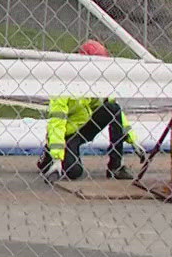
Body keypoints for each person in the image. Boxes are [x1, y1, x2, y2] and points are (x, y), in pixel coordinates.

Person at [39, 40, 138, 183]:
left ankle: (116, 166)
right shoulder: (63, 82)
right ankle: (49, 155)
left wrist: (132, 139)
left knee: (113, 108)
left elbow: (113, 110)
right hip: (68, 133)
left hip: (85, 127)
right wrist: (56, 157)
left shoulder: (98, 81)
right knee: (73, 172)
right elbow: (57, 122)